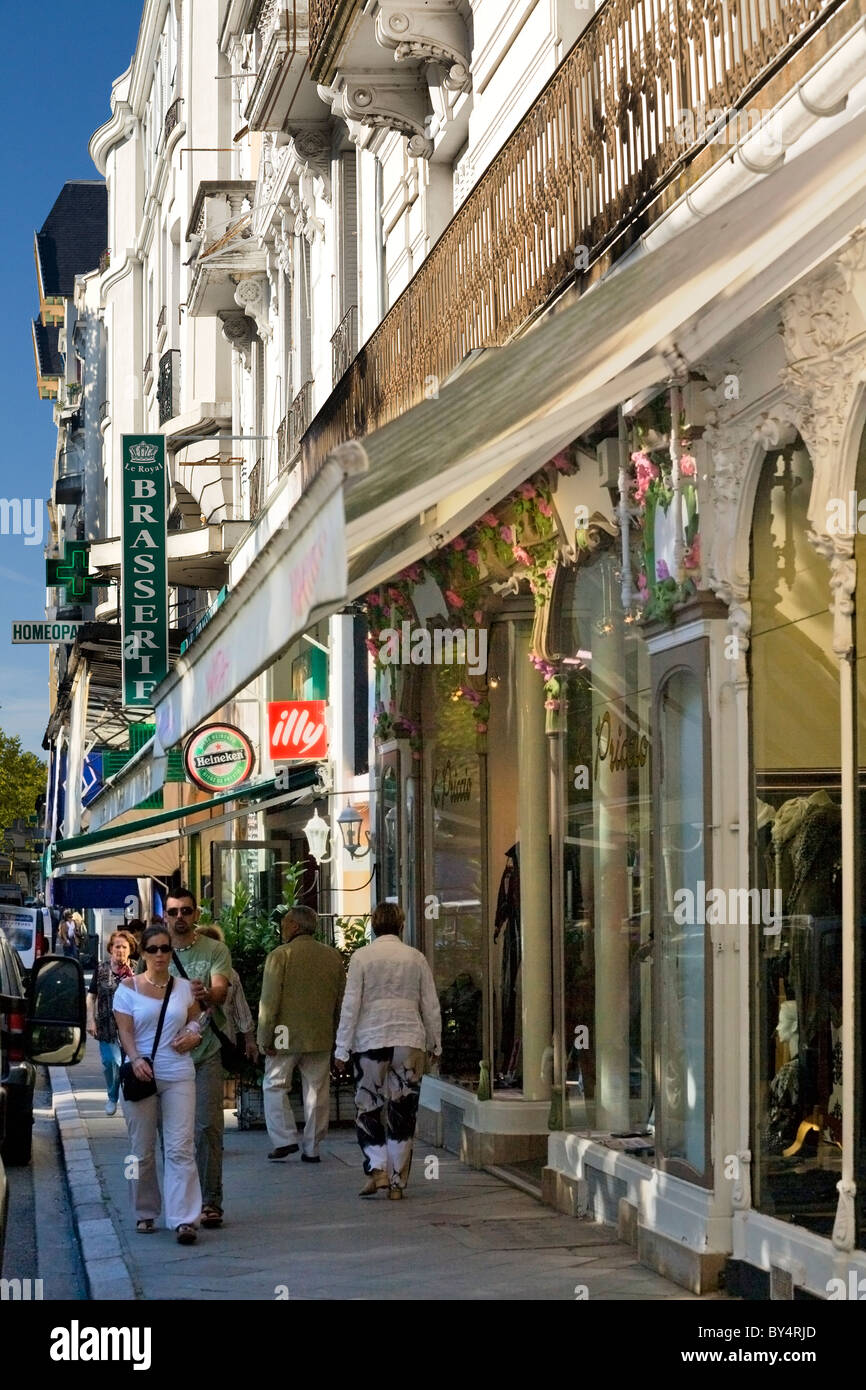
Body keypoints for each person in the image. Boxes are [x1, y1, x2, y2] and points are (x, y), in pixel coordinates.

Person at [334, 902, 441, 1199]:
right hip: (409, 1040)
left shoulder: (361, 958)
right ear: (401, 924)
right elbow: (430, 1004)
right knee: (402, 1112)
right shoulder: (415, 958)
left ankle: (378, 1168)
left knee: (368, 1106)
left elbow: (351, 1004)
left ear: (373, 924)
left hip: (370, 1040)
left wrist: (342, 1049)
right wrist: (436, 1042)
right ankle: (397, 1183)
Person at [113, 924, 203, 1243]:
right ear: (144, 953)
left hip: (178, 1072)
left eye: (166, 948)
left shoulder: (184, 988)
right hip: (142, 1074)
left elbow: (195, 1018)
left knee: (180, 1147)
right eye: (153, 949)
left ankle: (183, 1219)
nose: (161, 954)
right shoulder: (127, 988)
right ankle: (144, 1211)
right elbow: (124, 1032)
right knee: (141, 1151)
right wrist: (135, 1059)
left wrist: (193, 1034)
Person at [164, 888, 231, 1229]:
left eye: (186, 911)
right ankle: (180, 1204)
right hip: (167, 1055)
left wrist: (209, 992)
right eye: (173, 911)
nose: (180, 917)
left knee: (206, 1127)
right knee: (174, 1134)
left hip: (205, 1053)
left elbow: (221, 990)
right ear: (165, 915)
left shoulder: (215, 950)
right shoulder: (156, 951)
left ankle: (210, 1201)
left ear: (196, 914)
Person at [257, 905, 345, 1163]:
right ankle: (312, 1147)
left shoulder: (280, 955)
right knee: (317, 1091)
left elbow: (269, 1001)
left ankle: (284, 1139)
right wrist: (339, 1034)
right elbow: (341, 1000)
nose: (282, 927)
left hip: (284, 1035)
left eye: (285, 923)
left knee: (274, 1085)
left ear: (295, 926)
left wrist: (265, 1037)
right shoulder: (332, 956)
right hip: (320, 1033)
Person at [86, 931, 135, 1115]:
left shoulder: (137, 971)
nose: (120, 950)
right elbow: (91, 997)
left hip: (131, 1028)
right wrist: (91, 1020)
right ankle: (113, 1096)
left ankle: (129, 1097)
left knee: (127, 1064)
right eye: (117, 946)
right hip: (106, 1027)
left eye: (124, 947)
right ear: (110, 949)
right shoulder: (102, 969)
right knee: (111, 1062)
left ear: (130, 950)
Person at [197, 925, 258, 1066]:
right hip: (224, 1037)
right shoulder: (231, 973)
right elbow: (241, 1010)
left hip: (194, 1039)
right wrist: (249, 1040)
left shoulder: (189, 971)